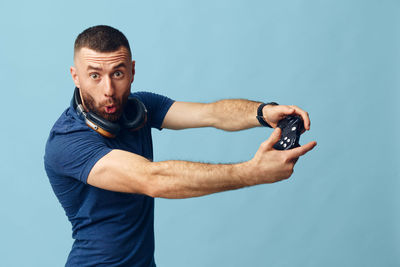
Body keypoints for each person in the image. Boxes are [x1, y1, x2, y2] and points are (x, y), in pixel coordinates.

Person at [44, 25, 317, 267]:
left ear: (132, 71)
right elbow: (153, 179)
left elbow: (211, 113)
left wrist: (262, 111)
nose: (108, 89)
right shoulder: (67, 141)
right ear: (75, 76)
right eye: (94, 76)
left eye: (118, 73)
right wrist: (252, 172)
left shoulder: (139, 108)